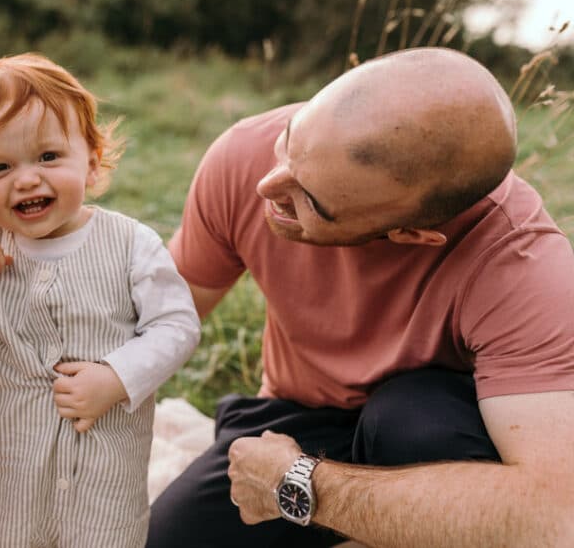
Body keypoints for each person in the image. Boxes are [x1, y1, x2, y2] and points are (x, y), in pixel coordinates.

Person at [147, 47, 574, 547]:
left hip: (438, 432)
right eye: (290, 143)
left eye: (313, 201)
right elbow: (158, 320)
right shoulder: (244, 154)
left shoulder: (524, 265)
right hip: (294, 415)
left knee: (409, 415)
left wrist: (300, 483)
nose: (268, 186)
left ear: (411, 234)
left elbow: (557, 518)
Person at [0, 53, 201, 547]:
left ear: (92, 162)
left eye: (48, 157)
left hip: (105, 463)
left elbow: (177, 325)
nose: (27, 179)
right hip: (12, 468)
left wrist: (118, 376)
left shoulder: (130, 243)